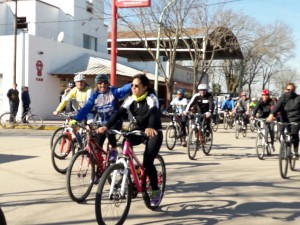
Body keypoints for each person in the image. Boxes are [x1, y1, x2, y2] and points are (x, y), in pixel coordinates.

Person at [96, 74, 163, 206]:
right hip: (138, 130)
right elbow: (118, 113)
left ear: (144, 87)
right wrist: (106, 126)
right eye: (132, 85)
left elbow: (154, 113)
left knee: (148, 161)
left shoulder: (151, 98)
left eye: (136, 86)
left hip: (153, 132)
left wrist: (150, 127)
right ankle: (133, 171)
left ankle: (155, 190)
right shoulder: (131, 99)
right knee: (125, 145)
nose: (133, 88)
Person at [71, 74, 131, 162]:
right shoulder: (95, 96)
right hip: (102, 123)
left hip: (115, 122)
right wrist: (76, 119)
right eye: (100, 83)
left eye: (105, 82)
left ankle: (114, 149)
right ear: (96, 84)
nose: (102, 85)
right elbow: (86, 108)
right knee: (98, 143)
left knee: (110, 133)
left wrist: (133, 83)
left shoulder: (113, 92)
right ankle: (100, 168)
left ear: (108, 83)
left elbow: (123, 89)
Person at [266, 83, 300, 159]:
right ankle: (287, 147)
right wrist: (271, 114)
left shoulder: (298, 98)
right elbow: (277, 106)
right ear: (285, 90)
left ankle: (295, 152)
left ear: (294, 90)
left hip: (295, 119)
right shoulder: (283, 97)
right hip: (284, 119)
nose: (290, 91)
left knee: (294, 134)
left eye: (292, 90)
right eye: (288, 90)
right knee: (282, 133)